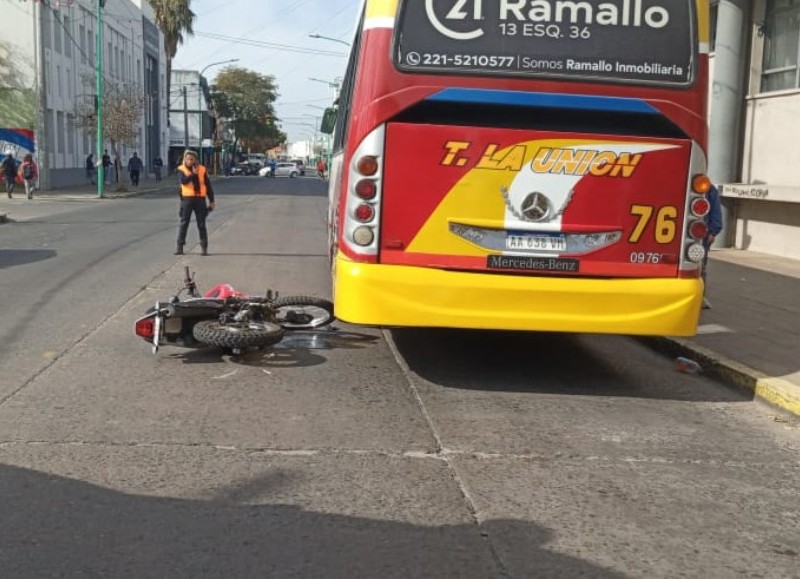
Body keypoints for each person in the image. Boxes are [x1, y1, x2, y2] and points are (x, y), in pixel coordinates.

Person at [175, 149, 215, 256]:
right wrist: (193, 174)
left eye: (191, 159)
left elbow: (208, 186)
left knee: (201, 224)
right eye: (187, 159)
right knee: (184, 223)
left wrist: (211, 200)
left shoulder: (202, 170)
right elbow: (183, 181)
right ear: (184, 159)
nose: (189, 161)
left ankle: (204, 247)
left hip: (200, 200)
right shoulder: (181, 170)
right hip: (187, 200)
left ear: (195, 160)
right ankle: (180, 247)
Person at [701, 184, 723, 309]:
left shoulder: (709, 189)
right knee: (699, 266)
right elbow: (716, 211)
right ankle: (700, 298)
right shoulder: (708, 188)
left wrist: (713, 230)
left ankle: (700, 297)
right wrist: (714, 230)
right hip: (701, 232)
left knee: (699, 266)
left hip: (701, 233)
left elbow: (715, 211)